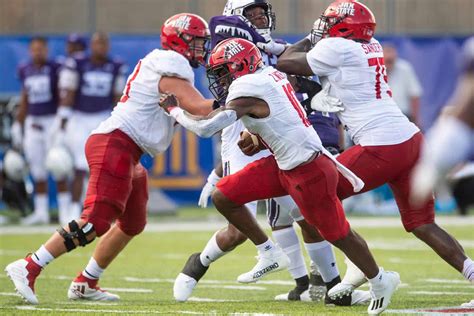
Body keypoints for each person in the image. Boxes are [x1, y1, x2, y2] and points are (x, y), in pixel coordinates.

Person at [160, 37, 400, 316]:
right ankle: (268, 250)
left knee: (337, 233)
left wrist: (173, 109)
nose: (220, 79)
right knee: (224, 195)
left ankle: (380, 279)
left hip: (308, 171)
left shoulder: (249, 87)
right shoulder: (269, 74)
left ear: (240, 66)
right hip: (283, 164)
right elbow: (281, 118)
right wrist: (258, 137)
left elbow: (206, 128)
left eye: (224, 71)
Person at [5, 13, 214, 304]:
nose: (201, 48)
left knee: (133, 222)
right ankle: (30, 266)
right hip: (116, 143)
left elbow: (196, 115)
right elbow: (201, 108)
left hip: (128, 150)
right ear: (179, 40)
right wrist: (239, 99)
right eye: (197, 41)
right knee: (95, 222)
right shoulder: (171, 68)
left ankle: (86, 281)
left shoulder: (170, 67)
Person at [276, 0, 474, 299]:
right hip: (409, 139)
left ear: (343, 26)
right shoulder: (371, 45)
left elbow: (286, 62)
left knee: (315, 199)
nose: (324, 27)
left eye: (329, 22)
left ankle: (360, 272)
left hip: (381, 144)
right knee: (422, 224)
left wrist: (309, 37)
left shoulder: (337, 47)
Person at [54, 32, 128, 225]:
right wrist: (62, 122)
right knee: (80, 165)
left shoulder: (115, 66)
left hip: (103, 117)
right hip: (79, 118)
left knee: (101, 167)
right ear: (91, 45)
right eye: (97, 43)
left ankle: (94, 209)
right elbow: (68, 93)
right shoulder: (77, 63)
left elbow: (117, 97)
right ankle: (71, 211)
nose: (100, 47)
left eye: (104, 43)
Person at [11, 36, 71, 225]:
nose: (38, 52)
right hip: (33, 123)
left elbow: (63, 94)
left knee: (58, 166)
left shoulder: (55, 68)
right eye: (34, 49)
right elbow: (25, 97)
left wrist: (61, 121)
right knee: (37, 171)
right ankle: (41, 212)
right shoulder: (25, 69)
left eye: (41, 49)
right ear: (30, 51)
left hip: (51, 121)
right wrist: (18, 123)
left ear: (47, 50)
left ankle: (65, 212)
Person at [383, 44, 423, 127]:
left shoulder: (405, 68)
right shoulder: (374, 70)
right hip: (382, 117)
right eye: (387, 60)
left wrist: (416, 119)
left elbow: (415, 95)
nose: (389, 62)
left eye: (391, 60)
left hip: (403, 116)